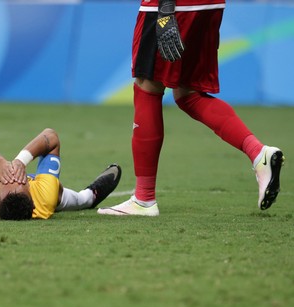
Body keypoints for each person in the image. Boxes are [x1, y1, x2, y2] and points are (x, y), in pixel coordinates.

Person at [98, 0, 284, 216]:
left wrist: (165, 9)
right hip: (210, 6)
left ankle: (144, 198)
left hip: (171, 7)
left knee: (146, 87)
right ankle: (258, 153)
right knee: (188, 94)